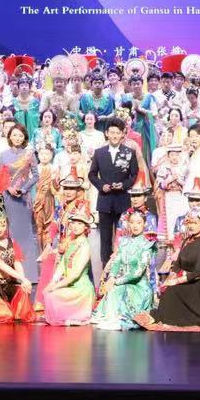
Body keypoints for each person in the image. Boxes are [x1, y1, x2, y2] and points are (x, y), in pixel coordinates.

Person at [136, 209, 200, 331]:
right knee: (169, 291)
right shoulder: (187, 240)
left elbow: (198, 271)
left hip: (197, 284)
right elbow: (178, 263)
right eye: (189, 223)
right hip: (185, 280)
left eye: (195, 223)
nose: (191, 226)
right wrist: (170, 278)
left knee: (174, 291)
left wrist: (176, 281)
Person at [92, 208, 158, 330]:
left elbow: (138, 272)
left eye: (139, 222)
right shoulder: (124, 242)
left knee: (118, 289)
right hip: (122, 282)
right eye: (132, 222)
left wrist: (116, 281)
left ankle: (118, 319)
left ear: (144, 224)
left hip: (139, 286)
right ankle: (110, 317)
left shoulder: (147, 245)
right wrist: (112, 277)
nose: (135, 226)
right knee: (114, 289)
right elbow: (117, 262)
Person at [0, 122, 41, 292]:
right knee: (11, 234)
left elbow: (35, 176)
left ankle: (30, 275)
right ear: (9, 137)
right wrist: (8, 188)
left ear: (24, 138)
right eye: (14, 135)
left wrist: (24, 189)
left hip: (23, 198)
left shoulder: (29, 154)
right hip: (8, 198)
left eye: (20, 135)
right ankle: (13, 274)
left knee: (26, 235)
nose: (17, 138)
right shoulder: (3, 155)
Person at [88, 119, 140, 263]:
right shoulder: (99, 153)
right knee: (105, 238)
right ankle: (106, 267)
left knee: (123, 235)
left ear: (122, 134)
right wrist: (101, 186)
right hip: (104, 201)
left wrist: (123, 185)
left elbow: (134, 174)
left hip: (122, 200)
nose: (115, 135)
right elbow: (92, 174)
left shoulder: (129, 152)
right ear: (106, 133)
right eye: (112, 132)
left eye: (117, 133)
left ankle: (122, 265)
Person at [40, 211, 98, 325]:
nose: (76, 226)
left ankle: (76, 315)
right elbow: (62, 265)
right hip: (70, 286)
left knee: (52, 295)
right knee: (48, 293)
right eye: (74, 223)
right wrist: (52, 283)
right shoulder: (72, 242)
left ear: (86, 227)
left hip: (81, 289)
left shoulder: (85, 246)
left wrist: (55, 286)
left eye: (80, 224)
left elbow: (75, 274)